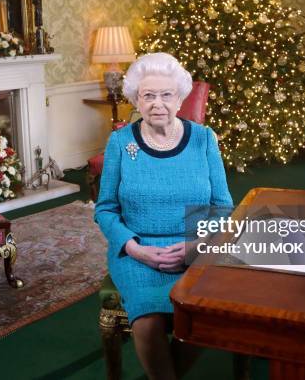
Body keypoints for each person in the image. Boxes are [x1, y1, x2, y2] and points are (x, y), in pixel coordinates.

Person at [94, 52, 233, 379]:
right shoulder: (120, 142)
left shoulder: (204, 139)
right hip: (139, 253)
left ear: (181, 97)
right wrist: (132, 247)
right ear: (136, 100)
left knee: (208, 313)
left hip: (196, 249)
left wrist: (195, 247)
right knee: (148, 321)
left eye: (166, 95)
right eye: (148, 95)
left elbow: (223, 206)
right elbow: (105, 209)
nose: (158, 104)